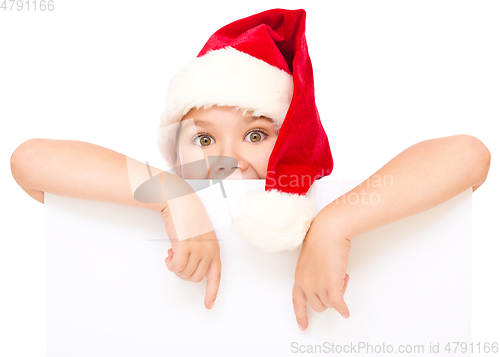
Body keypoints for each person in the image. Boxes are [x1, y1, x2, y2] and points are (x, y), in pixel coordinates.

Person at [9, 8, 492, 333]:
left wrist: (334, 224)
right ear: (176, 156)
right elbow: (28, 161)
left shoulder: (332, 202)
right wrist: (172, 194)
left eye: (257, 135)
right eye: (203, 138)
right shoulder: (164, 198)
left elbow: (469, 156)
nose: (230, 155)